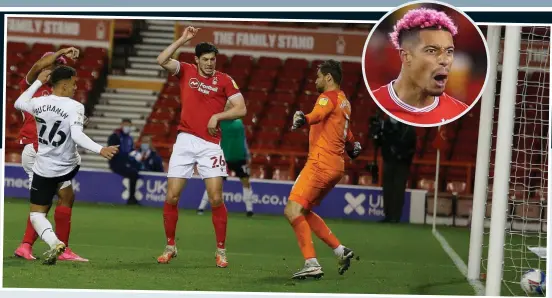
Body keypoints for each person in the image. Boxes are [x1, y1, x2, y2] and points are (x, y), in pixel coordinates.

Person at [155, 26, 247, 267]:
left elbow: (241, 108)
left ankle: (221, 251)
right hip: (185, 140)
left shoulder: (225, 80)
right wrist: (183, 39)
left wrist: (217, 116)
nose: (209, 64)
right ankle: (170, 246)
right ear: (196, 60)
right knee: (172, 196)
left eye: (212, 60)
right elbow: (162, 59)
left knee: (216, 198)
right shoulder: (185, 70)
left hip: (210, 145)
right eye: (205, 60)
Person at [14, 66, 119, 265]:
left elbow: (19, 103)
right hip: (65, 165)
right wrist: (100, 149)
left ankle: (54, 243)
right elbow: (77, 135)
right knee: (63, 197)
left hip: (43, 166)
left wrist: (38, 81)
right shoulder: (75, 106)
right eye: (73, 82)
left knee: (38, 214)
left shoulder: (38, 102)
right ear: (64, 84)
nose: (76, 86)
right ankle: (57, 246)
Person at [284, 59, 361, 280]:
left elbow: (318, 114)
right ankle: (340, 250)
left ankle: (311, 263)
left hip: (320, 163)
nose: (316, 80)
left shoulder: (327, 98)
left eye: (318, 76)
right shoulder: (345, 102)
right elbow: (345, 134)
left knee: (291, 210)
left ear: (328, 78)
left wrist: (304, 119)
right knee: (303, 211)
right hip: (336, 166)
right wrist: (353, 146)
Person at [13, 47, 90, 262]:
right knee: (43, 203)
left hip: (45, 151)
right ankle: (28, 245)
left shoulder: (57, 94)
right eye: (54, 65)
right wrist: (60, 52)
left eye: (59, 66)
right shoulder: (31, 85)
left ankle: (58, 248)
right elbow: (38, 67)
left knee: (66, 196)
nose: (56, 69)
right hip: (36, 149)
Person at [371, 8, 468, 125]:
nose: (444, 60)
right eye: (431, 51)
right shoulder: (373, 103)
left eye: (449, 51)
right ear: (406, 56)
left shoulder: (459, 111)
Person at [197, 118, 254, 217]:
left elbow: (243, 139)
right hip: (223, 158)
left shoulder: (239, 123)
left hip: (239, 157)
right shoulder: (219, 123)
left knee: (246, 182)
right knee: (214, 183)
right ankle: (201, 207)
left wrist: (247, 154)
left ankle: (249, 210)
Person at [379, 117, 417, 223]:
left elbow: (411, 146)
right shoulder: (386, 125)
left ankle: (396, 216)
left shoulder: (408, 127)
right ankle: (388, 215)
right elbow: (382, 143)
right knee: (387, 189)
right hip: (388, 161)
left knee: (398, 189)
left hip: (402, 163)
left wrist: (402, 155)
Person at [107, 118, 140, 205]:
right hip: (116, 163)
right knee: (133, 174)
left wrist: (134, 154)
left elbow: (131, 150)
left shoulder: (129, 138)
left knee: (135, 171)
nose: (127, 127)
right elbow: (112, 150)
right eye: (125, 125)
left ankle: (132, 198)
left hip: (126, 163)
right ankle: (131, 198)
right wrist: (126, 155)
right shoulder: (115, 136)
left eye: (129, 125)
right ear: (121, 125)